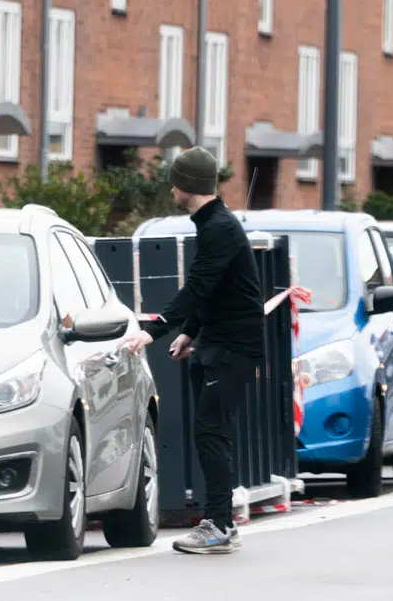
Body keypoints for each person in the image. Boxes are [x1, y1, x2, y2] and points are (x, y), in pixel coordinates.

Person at [117, 146, 264, 555]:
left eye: (174, 182)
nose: (171, 190)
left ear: (185, 186)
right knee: (211, 433)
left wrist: (157, 330)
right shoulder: (213, 223)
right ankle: (219, 521)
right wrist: (191, 332)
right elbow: (214, 289)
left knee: (211, 433)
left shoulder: (219, 227)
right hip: (217, 342)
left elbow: (198, 286)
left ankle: (218, 524)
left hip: (232, 348)